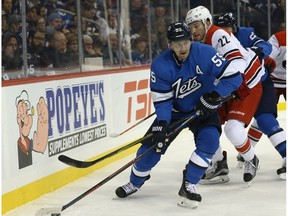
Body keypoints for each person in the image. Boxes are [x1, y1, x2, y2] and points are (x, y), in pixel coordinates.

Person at [115, 21, 242, 208]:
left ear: (191, 40)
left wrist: (214, 96)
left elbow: (234, 77)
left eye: (185, 42)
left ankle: (189, 184)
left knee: (210, 142)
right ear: (170, 45)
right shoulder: (160, 65)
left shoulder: (205, 53)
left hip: (204, 110)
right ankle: (134, 183)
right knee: (151, 150)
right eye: (176, 44)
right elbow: (163, 100)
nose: (182, 48)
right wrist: (163, 122)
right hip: (175, 113)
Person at [185, 6, 265, 184]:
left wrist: (216, 92)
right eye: (190, 27)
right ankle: (219, 164)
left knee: (233, 130)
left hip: (247, 85)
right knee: (205, 124)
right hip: (229, 87)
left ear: (207, 23)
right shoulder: (196, 44)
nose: (193, 31)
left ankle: (251, 159)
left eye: (196, 26)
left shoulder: (217, 35)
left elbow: (237, 64)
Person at [246, 30, 287, 179]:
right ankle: (248, 150)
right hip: (274, 81)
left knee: (263, 118)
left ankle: (247, 150)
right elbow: (268, 57)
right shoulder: (279, 37)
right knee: (263, 117)